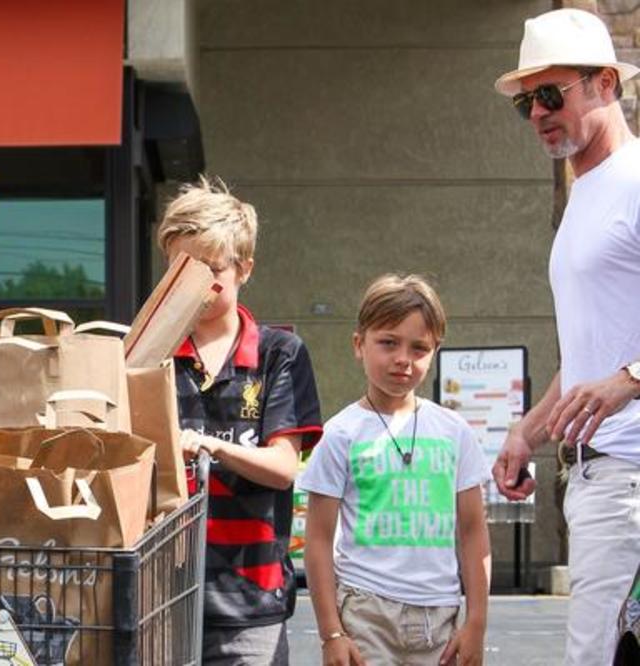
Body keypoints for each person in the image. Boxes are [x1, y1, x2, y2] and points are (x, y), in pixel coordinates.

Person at [490, 9, 640, 664]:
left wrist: (630, 381)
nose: (539, 115)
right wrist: (530, 431)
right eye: (527, 102)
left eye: (553, 95)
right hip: (600, 481)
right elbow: (591, 360)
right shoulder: (586, 194)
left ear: (606, 83)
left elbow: (614, 373)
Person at [157, 176, 323, 665]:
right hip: (160, 595)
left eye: (210, 270)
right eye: (180, 269)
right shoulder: (151, 351)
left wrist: (210, 446)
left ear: (244, 268)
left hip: (251, 603)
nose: (195, 285)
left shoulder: (279, 354)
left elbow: (283, 466)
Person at [298, 274, 490, 666]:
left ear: (434, 352)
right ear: (359, 344)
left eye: (419, 348)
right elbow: (317, 540)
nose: (403, 359)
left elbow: (472, 531)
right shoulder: (340, 434)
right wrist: (331, 632)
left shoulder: (454, 431)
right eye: (388, 343)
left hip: (440, 616)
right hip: (365, 612)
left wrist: (477, 624)